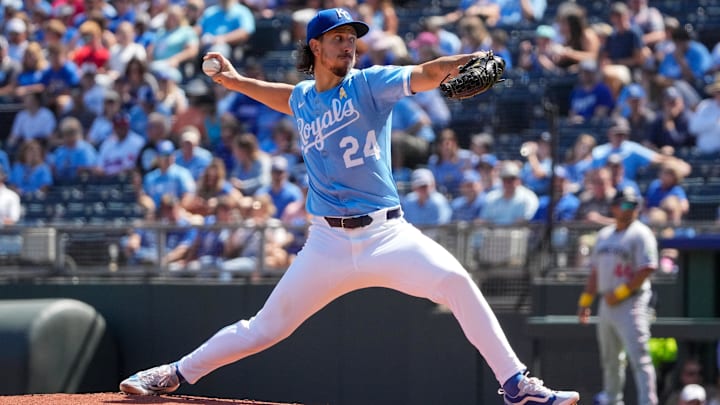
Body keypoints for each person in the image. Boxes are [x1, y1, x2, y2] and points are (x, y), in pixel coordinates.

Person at [119, 8, 580, 405]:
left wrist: (469, 60)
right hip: (327, 243)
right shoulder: (303, 98)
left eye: (353, 38)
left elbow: (425, 71)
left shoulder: (371, 85)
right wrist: (234, 80)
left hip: (387, 235)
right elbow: (280, 96)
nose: (349, 46)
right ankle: (174, 373)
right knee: (264, 328)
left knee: (457, 282)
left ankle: (515, 383)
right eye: (339, 39)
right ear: (315, 46)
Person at [577, 187, 659, 405]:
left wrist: (621, 292)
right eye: (625, 204)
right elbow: (595, 272)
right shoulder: (604, 235)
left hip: (632, 302)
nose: (630, 209)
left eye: (634, 205)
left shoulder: (641, 233)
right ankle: (612, 400)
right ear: (613, 207)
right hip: (606, 303)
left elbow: (647, 268)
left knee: (639, 358)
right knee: (610, 359)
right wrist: (585, 302)